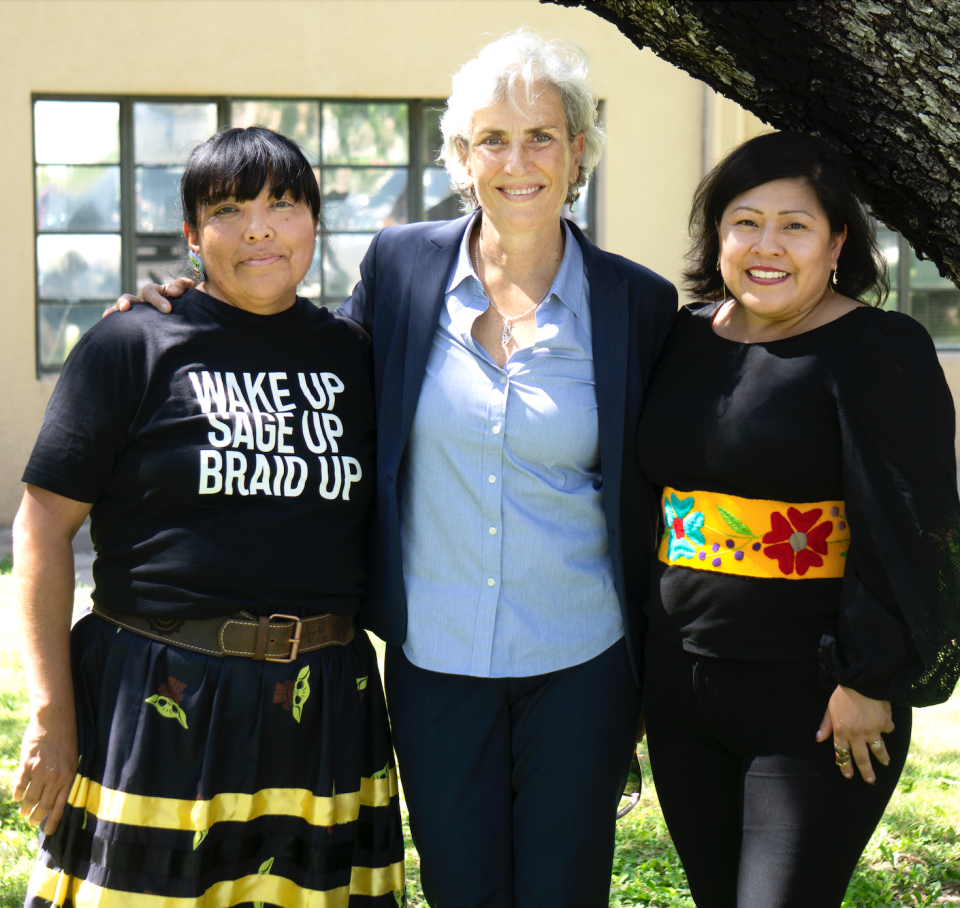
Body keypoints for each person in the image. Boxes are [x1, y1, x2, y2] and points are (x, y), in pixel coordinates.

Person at [112, 30, 678, 907]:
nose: (517, 160)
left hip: (583, 658)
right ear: (460, 156)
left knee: (567, 890)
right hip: (434, 657)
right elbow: (299, 354)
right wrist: (182, 307)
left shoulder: (638, 302)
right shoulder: (403, 267)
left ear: (577, 154)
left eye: (542, 136)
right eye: (492, 137)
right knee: (460, 887)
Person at [14, 126, 405, 907]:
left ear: (314, 224)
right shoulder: (133, 342)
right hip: (159, 698)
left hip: (321, 705)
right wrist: (52, 714)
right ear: (193, 237)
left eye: (283, 203)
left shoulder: (358, 355)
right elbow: (42, 528)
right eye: (228, 208)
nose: (259, 227)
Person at [635, 130, 960, 907]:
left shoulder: (878, 349)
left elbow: (916, 525)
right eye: (745, 221)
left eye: (796, 224)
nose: (766, 245)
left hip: (816, 704)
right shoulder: (678, 339)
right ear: (717, 235)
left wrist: (868, 678)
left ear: (839, 239)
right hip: (681, 688)